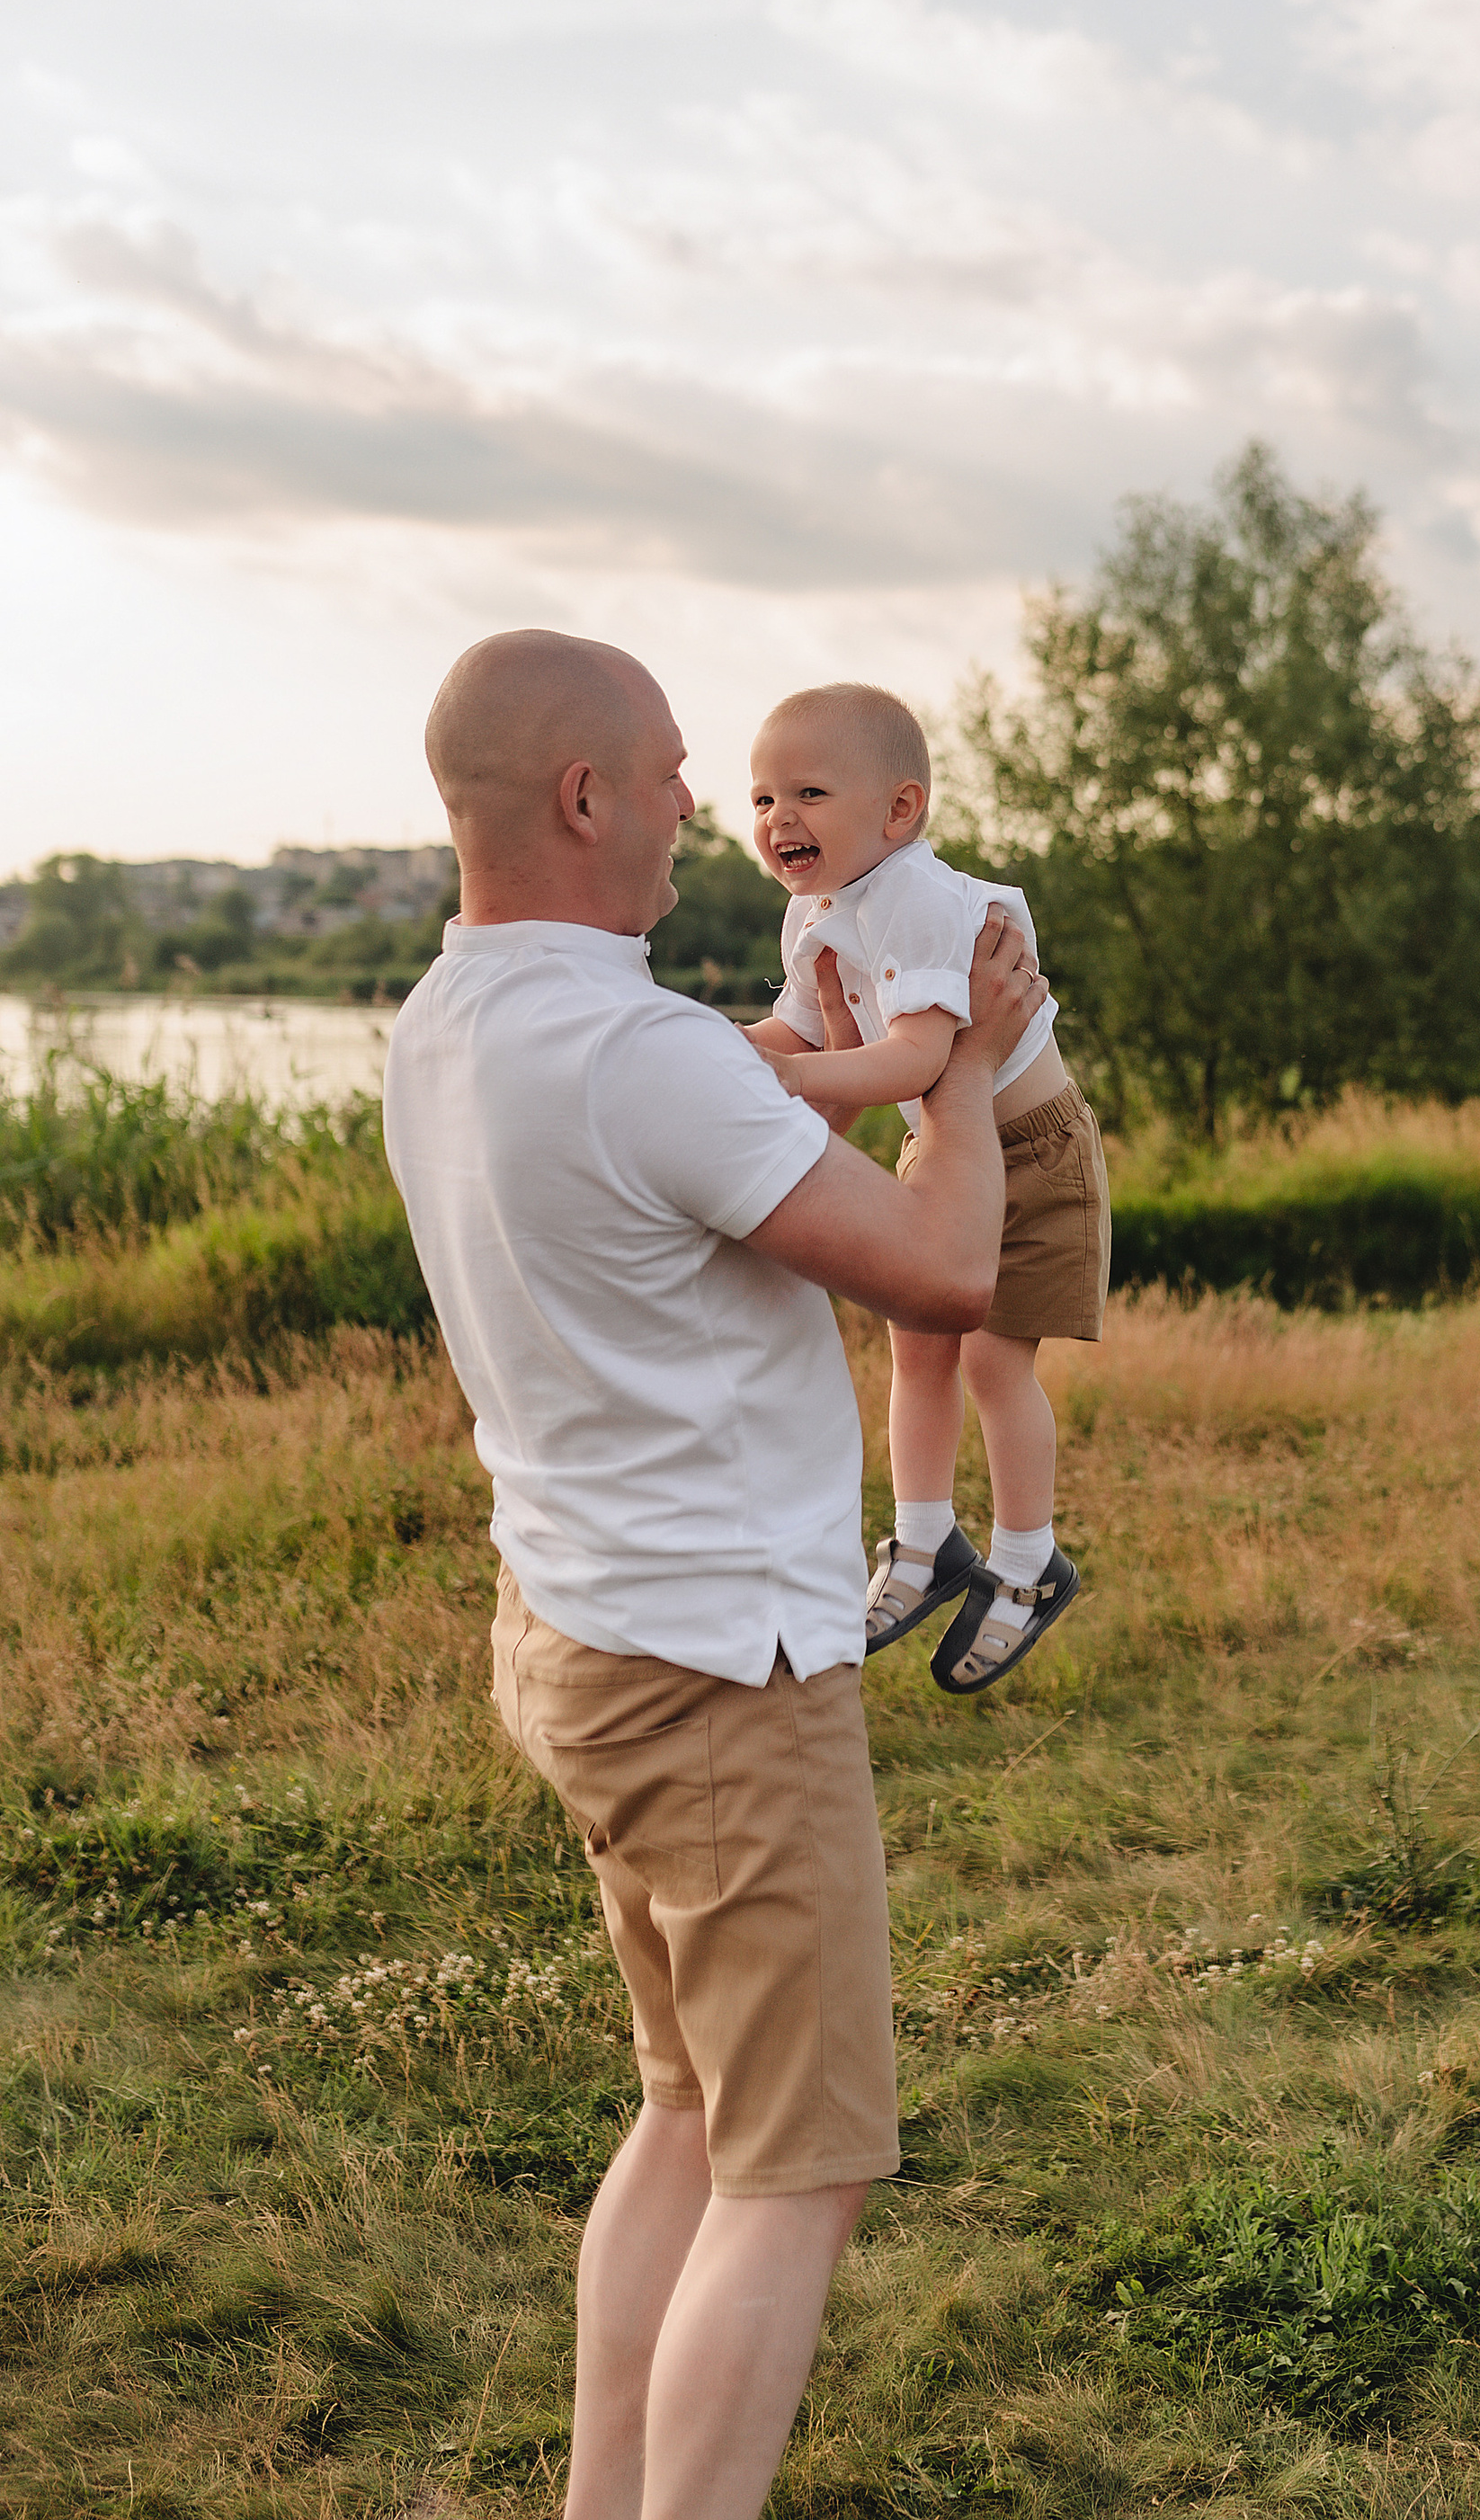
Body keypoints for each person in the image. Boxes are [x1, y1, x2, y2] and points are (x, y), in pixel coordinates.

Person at [382, 628, 1041, 2520]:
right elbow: (944, 1272)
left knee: (687, 2108)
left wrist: (820, 1064)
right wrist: (963, 1069)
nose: (702, 799)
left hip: (581, 1632)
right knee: (798, 2166)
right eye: (676, 765)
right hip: (722, 1678)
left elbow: (703, 1167)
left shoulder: (448, 1018)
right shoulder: (640, 1050)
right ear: (585, 794)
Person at [743, 681, 1109, 1694]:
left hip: (1029, 1149)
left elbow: (915, 1059)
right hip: (942, 1146)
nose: (779, 818)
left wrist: (788, 1077)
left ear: (900, 809)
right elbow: (799, 1030)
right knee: (917, 1351)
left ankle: (1029, 1564)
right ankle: (923, 1542)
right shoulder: (817, 911)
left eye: (809, 793)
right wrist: (712, 1050)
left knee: (994, 1362)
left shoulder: (918, 899)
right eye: (764, 798)